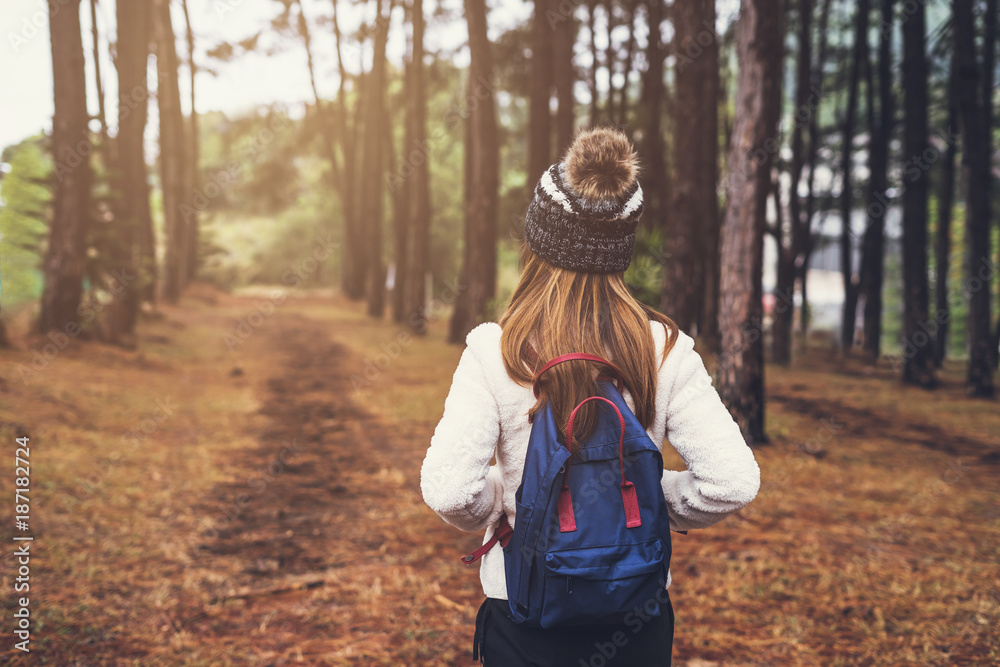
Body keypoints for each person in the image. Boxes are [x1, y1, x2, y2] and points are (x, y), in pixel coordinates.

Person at [420, 127, 761, 666]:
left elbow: (449, 492)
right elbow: (732, 482)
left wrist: (513, 501)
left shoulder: (498, 350)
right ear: (619, 249)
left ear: (536, 241)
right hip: (634, 617)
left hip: (525, 613)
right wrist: (647, 502)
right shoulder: (663, 348)